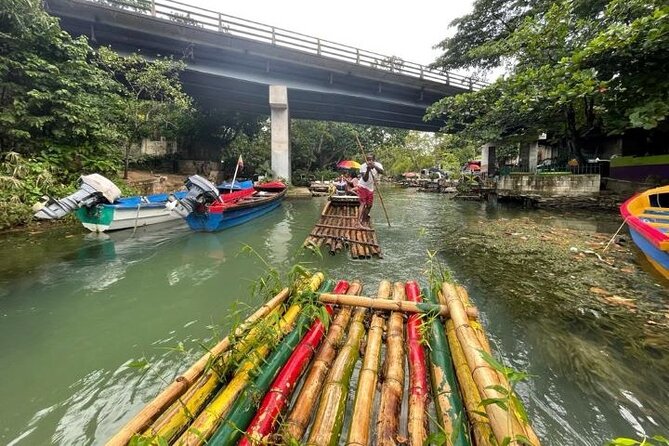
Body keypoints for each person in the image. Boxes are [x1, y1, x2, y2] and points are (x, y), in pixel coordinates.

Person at [357, 153, 384, 228]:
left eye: (371, 159)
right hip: (362, 186)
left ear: (374, 160)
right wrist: (368, 170)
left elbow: (382, 172)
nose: (369, 161)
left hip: (370, 187)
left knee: (369, 205)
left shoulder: (378, 165)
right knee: (363, 203)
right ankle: (358, 222)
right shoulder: (363, 166)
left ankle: (364, 220)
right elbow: (365, 179)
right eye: (367, 159)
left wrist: (374, 166)